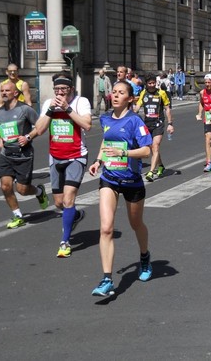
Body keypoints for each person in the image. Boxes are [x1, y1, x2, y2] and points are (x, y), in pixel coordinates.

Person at [88, 80, 153, 297]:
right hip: (110, 179)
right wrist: (98, 160)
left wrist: (124, 154)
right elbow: (106, 142)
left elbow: (146, 151)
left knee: (136, 224)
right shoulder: (105, 118)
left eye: (121, 92)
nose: (115, 95)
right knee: (106, 228)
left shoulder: (135, 121)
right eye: (114, 92)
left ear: (130, 98)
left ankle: (144, 257)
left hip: (132, 180)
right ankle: (107, 279)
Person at [35, 73, 91, 257]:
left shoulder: (80, 102)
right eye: (57, 90)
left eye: (63, 90)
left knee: (68, 199)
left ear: (71, 90)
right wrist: (51, 110)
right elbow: (40, 129)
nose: (60, 93)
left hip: (76, 156)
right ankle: (75, 216)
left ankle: (64, 242)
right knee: (59, 202)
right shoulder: (48, 104)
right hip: (55, 157)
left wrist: (67, 109)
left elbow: (87, 125)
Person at [0, 82, 48, 229]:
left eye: (7, 90)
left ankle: (39, 191)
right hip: (6, 155)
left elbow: (40, 127)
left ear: (15, 93)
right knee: (5, 186)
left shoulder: (25, 109)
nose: (4, 93)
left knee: (22, 190)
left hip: (23, 155)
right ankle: (18, 215)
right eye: (2, 91)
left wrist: (28, 137)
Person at [133, 73, 174, 181]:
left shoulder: (161, 93)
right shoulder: (144, 93)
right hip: (147, 124)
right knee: (152, 147)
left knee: (155, 146)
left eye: (153, 83)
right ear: (146, 84)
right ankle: (160, 166)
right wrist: (131, 114)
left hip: (158, 123)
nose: (151, 85)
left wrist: (170, 124)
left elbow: (167, 109)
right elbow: (137, 106)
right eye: (149, 83)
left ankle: (151, 172)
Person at [196, 73, 211, 172]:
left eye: (209, 82)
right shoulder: (202, 92)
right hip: (208, 119)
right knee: (208, 139)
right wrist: (199, 113)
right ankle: (209, 162)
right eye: (205, 82)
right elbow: (201, 103)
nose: (207, 84)